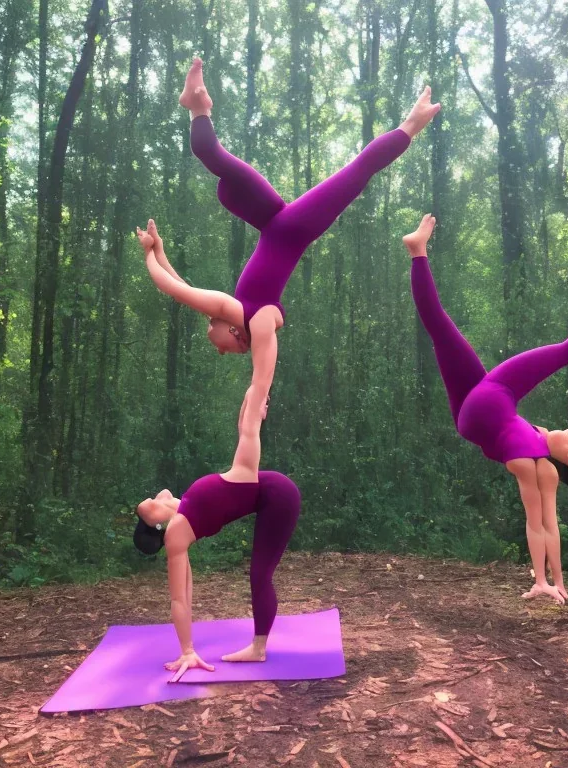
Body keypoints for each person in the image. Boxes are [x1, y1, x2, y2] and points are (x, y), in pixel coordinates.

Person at [138, 57, 441, 412]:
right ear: (238, 336)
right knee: (359, 170)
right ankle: (411, 125)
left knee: (211, 156)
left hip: (270, 220)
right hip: (294, 227)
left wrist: (157, 250)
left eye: (215, 345)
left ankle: (198, 107)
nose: (219, 349)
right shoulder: (259, 318)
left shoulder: (237, 311)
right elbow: (177, 293)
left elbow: (181, 287)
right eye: (224, 348)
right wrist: (258, 396)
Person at [403, 214, 568, 605]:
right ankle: (418, 252)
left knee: (557, 353)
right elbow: (550, 527)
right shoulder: (545, 466)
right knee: (439, 328)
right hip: (479, 408)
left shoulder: (529, 458)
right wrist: (556, 580)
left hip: (494, 398)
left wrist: (540, 582)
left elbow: (534, 525)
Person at [133, 386, 300, 680]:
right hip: (273, 496)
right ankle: (258, 648)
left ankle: (258, 647)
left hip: (272, 492)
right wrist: (187, 650)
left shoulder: (181, 509)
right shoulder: (175, 535)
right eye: (157, 513)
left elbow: (162, 495)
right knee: (259, 575)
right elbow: (180, 599)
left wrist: (254, 397)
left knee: (260, 575)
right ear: (156, 526)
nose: (159, 498)